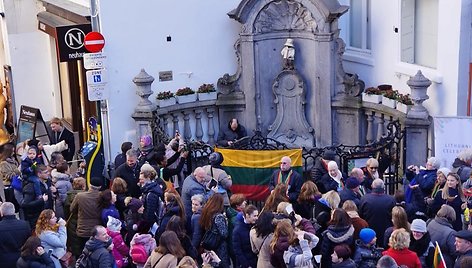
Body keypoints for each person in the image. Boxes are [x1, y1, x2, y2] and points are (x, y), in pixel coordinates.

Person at [70, 176, 103, 252]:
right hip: (97, 230)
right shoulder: (102, 196)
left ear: (90, 185)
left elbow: (72, 209)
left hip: (82, 229)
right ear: (100, 186)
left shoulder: (80, 196)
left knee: (83, 251)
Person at [359, 179, 396, 244]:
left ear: (372, 186)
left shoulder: (364, 199)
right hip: (385, 232)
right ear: (383, 187)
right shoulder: (391, 199)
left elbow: (360, 215)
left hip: (369, 233)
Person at [200, 194, 229, 267]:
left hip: (209, 243)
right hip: (218, 246)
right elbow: (224, 234)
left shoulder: (207, 213)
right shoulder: (219, 216)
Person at [21, 164, 53, 229]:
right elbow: (26, 204)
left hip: (46, 216)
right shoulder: (30, 187)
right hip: (35, 219)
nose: (48, 174)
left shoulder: (46, 183)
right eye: (46, 172)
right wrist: (41, 200)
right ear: (39, 174)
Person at [0, 202, 31, 268]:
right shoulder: (25, 225)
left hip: (4, 262)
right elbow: (29, 242)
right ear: (14, 211)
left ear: (1, 213)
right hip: (22, 260)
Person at [63, 177, 86, 258]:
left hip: (72, 223)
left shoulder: (68, 197)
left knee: (75, 246)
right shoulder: (85, 197)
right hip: (83, 223)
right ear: (83, 186)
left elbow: (66, 212)